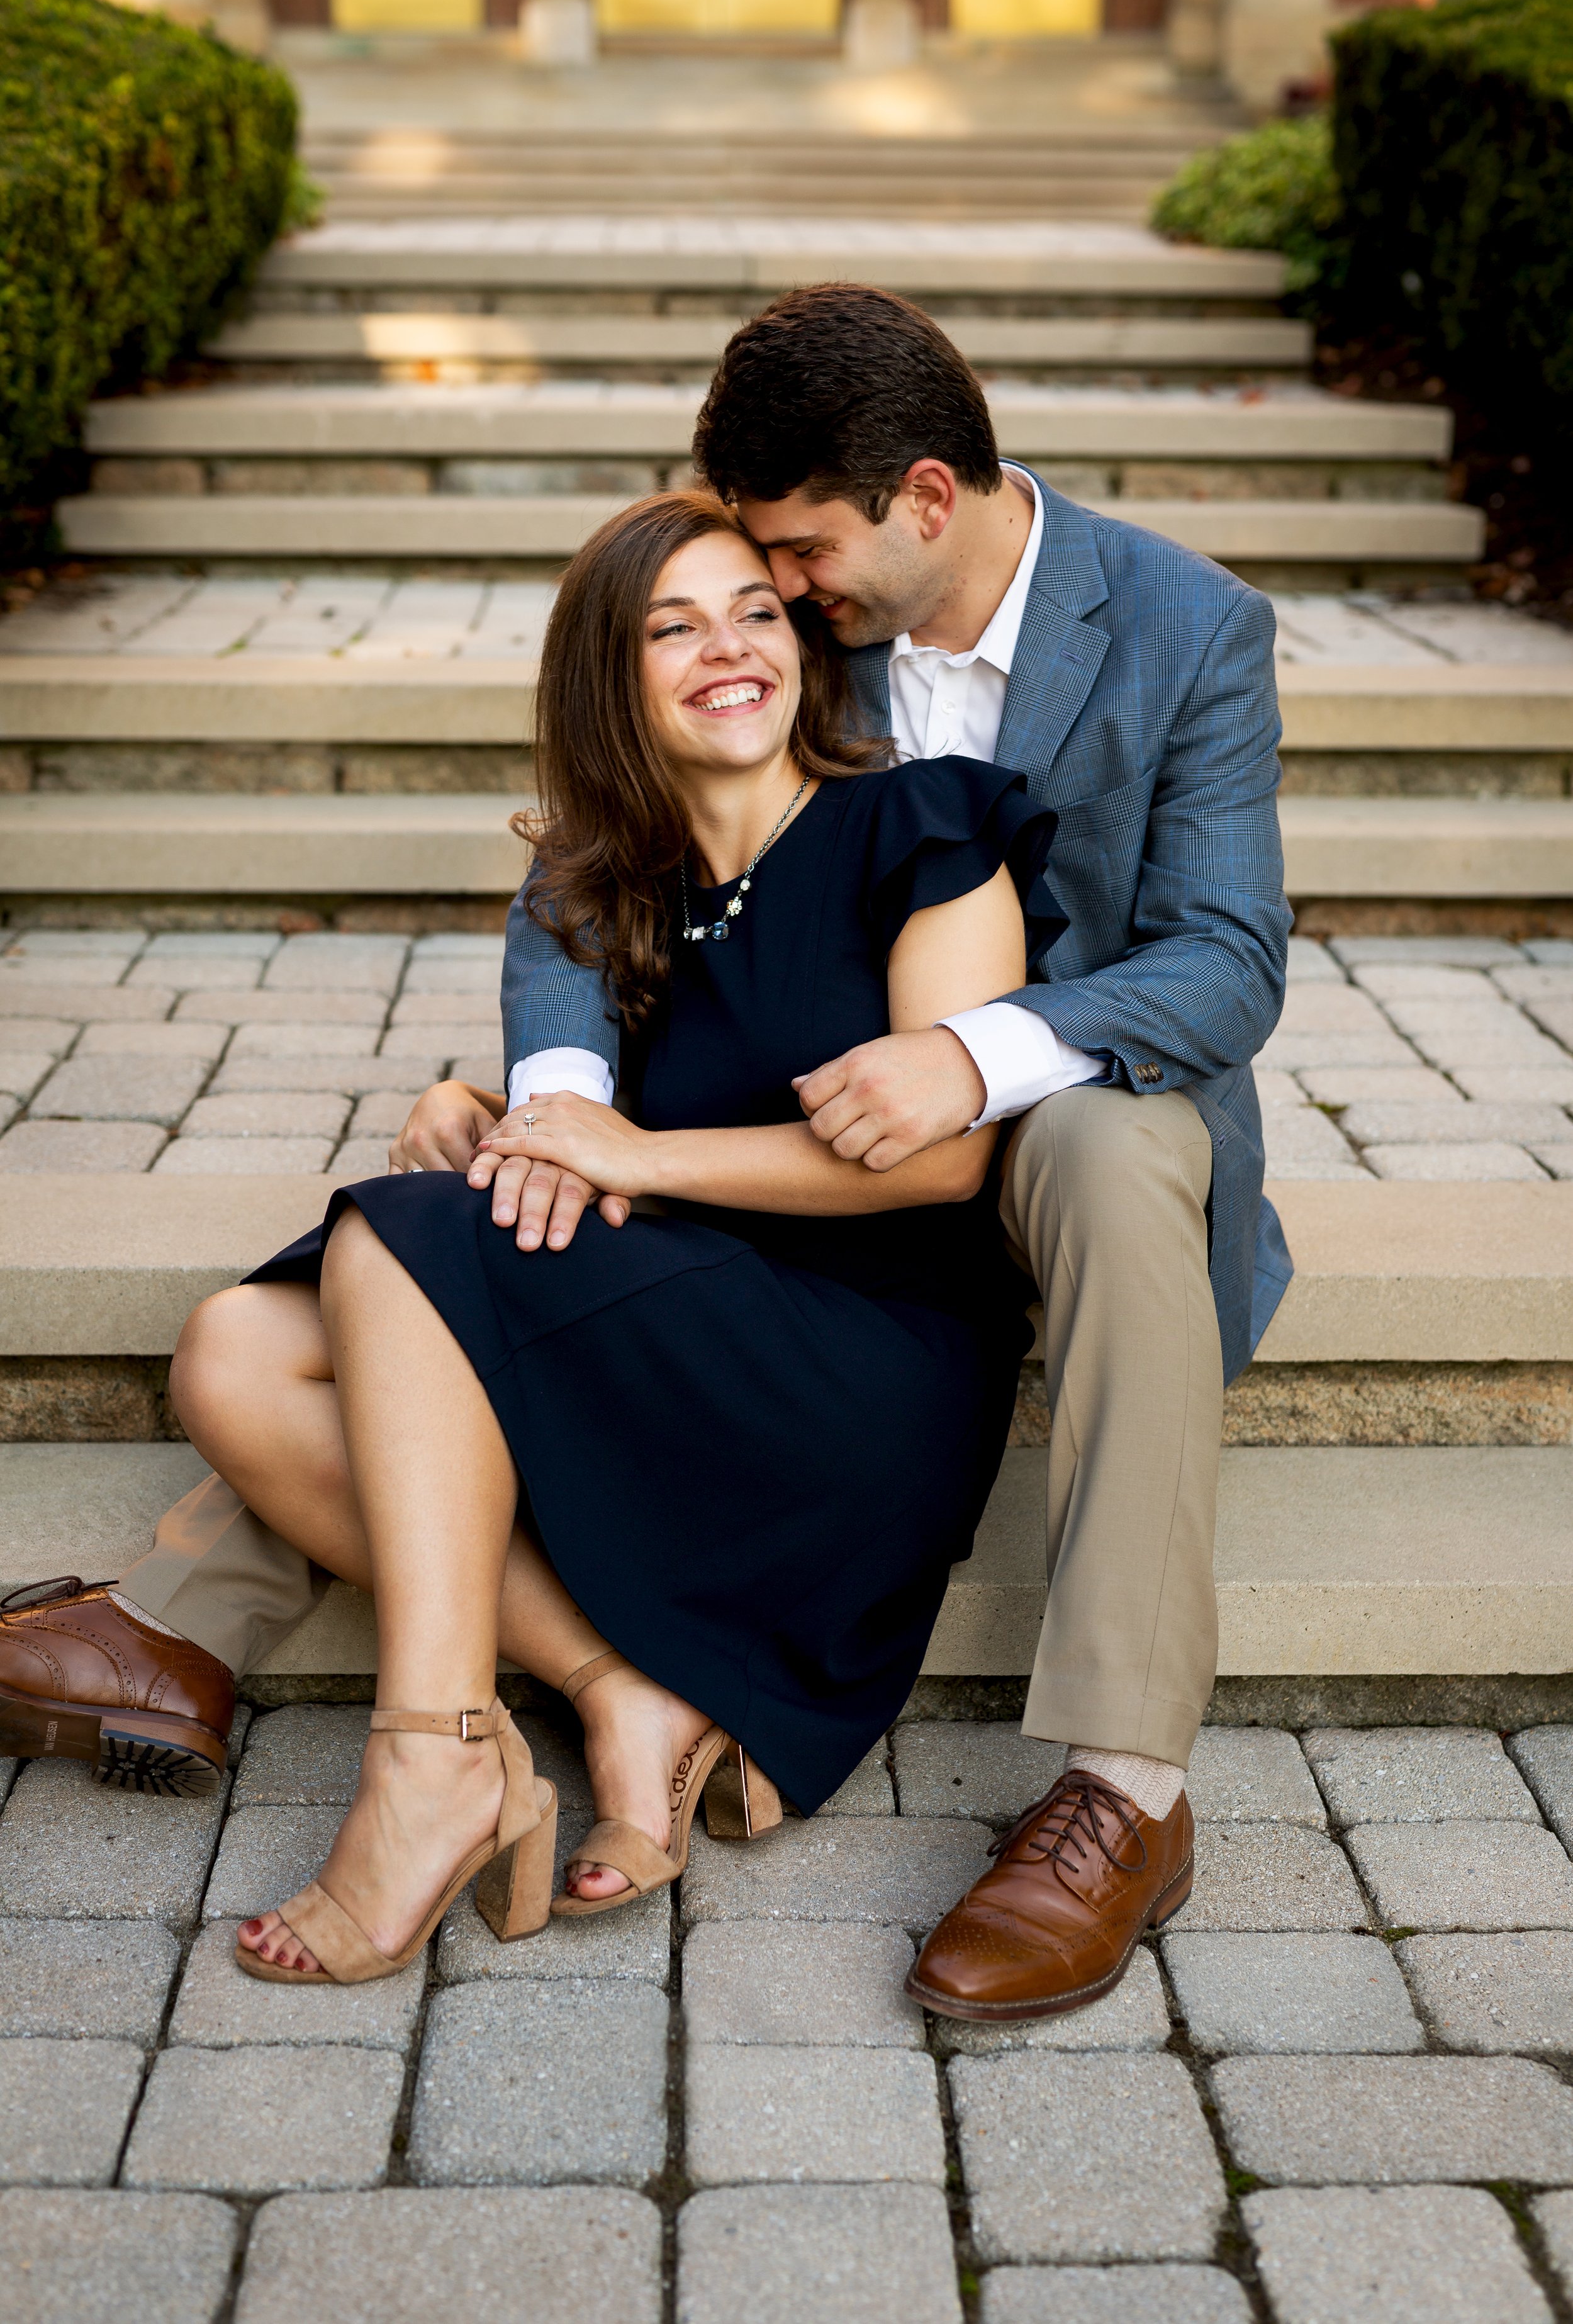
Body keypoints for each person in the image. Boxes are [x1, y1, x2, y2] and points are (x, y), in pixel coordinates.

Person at [1, 279, 1290, 2017]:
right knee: (353, 1280)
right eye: (753, 572)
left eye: (795, 563)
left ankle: (1121, 1788)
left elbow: (1224, 954)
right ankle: (449, 1664)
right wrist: (552, 1097)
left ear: (920, 501)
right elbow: (612, 841)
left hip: (1060, 1080)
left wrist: (964, 1057)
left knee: (1114, 1159)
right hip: (770, 1139)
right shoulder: (789, 607)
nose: (779, 601)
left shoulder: (1179, 624)